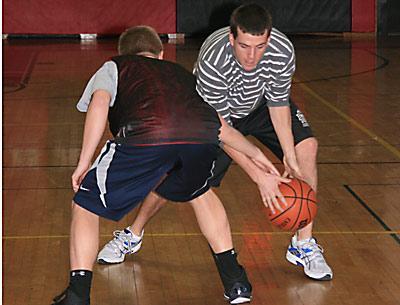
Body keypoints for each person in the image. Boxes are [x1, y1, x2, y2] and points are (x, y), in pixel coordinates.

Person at [52, 25, 287, 305]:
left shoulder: (115, 66)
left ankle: (78, 295)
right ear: (161, 54)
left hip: (149, 133)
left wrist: (84, 162)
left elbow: (100, 103)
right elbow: (218, 126)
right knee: (200, 192)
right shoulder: (183, 76)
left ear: (123, 53)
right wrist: (257, 155)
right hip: (198, 138)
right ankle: (235, 282)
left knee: (85, 203)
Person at [98, 3, 333, 281]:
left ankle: (303, 244)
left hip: (259, 106)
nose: (252, 56)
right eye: (245, 46)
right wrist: (259, 175)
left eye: (260, 47)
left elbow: (279, 103)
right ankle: (133, 234)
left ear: (268, 38)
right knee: (177, 177)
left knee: (306, 147)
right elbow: (223, 130)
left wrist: (290, 158)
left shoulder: (282, 50)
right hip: (218, 120)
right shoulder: (214, 58)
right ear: (232, 38)